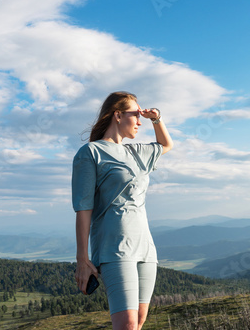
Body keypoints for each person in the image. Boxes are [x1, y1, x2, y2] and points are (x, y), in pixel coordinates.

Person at [72, 91, 173, 330]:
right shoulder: (91, 153)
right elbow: (83, 208)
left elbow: (166, 144)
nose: (140, 121)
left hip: (145, 248)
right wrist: (82, 259)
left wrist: (156, 119)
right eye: (136, 115)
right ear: (118, 115)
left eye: (141, 116)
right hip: (114, 248)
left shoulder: (137, 152)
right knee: (126, 324)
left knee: (138, 321)